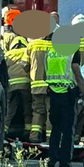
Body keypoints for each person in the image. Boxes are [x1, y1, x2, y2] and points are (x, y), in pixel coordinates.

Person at [43, 35, 84, 167]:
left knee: (55, 129)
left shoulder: (50, 52)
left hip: (53, 94)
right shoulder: (72, 52)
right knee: (68, 131)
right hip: (67, 94)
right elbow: (78, 75)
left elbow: (44, 74)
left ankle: (51, 162)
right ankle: (65, 164)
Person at [1, 8, 31, 140]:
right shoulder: (18, 39)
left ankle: (3, 131)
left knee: (9, 107)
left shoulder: (0, 37)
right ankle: (28, 132)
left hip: (8, 80)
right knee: (28, 108)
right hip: (23, 81)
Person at [26, 14, 56, 144]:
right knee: (51, 112)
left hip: (36, 86)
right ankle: (50, 138)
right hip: (52, 86)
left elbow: (24, 65)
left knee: (38, 111)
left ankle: (34, 136)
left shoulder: (32, 45)